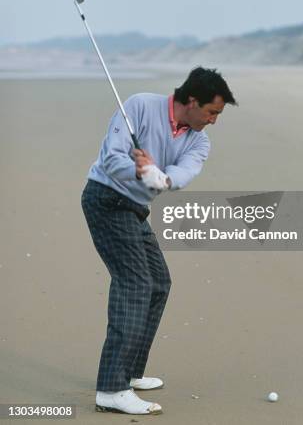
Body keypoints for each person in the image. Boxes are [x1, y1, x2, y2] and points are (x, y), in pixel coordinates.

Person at [81, 66, 237, 415]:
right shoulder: (138, 106)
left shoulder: (198, 139)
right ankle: (111, 388)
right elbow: (111, 159)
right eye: (212, 112)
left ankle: (130, 372)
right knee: (135, 284)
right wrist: (138, 170)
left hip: (135, 209)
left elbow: (181, 175)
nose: (214, 120)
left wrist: (158, 176)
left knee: (159, 284)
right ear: (192, 101)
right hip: (105, 200)